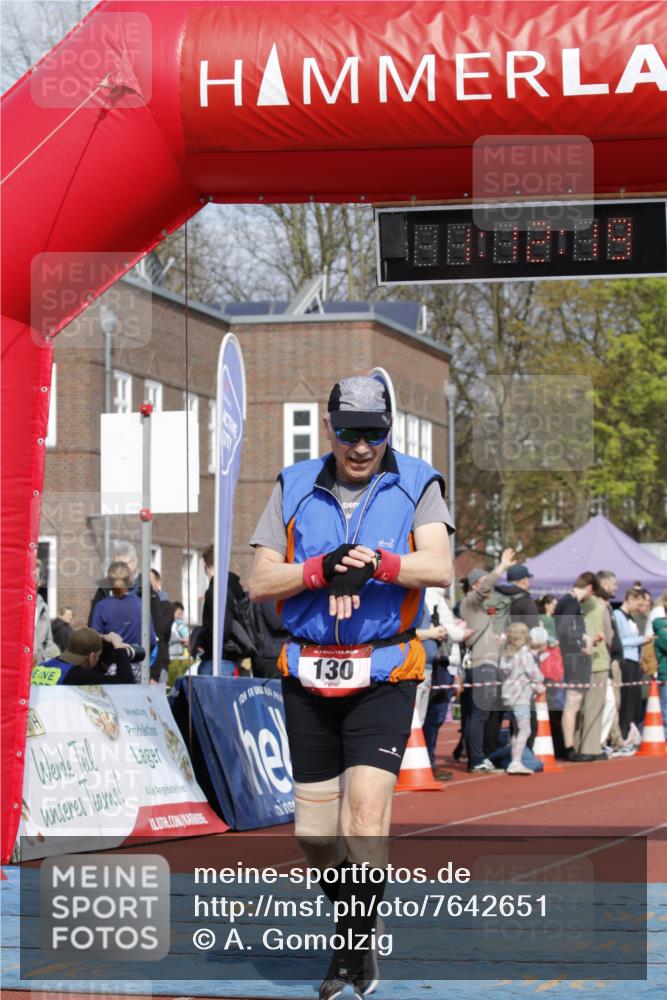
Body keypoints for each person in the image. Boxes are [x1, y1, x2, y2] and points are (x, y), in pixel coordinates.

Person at [248, 375, 453, 999]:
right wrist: (318, 570)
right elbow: (259, 582)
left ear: (388, 431)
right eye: (348, 433)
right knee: (313, 836)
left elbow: (439, 566)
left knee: (364, 817)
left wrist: (378, 563)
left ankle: (352, 948)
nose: (361, 447)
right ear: (330, 427)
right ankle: (359, 913)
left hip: (383, 672)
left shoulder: (418, 480)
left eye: (374, 433)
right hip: (308, 671)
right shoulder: (293, 483)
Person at [459, 548, 518, 772]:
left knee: (480, 713)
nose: (488, 587)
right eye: (483, 583)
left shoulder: (478, 611)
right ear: (475, 585)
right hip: (481, 664)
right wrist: (501, 566)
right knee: (479, 713)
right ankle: (475, 759)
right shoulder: (470, 603)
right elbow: (485, 587)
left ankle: (477, 756)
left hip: (487, 663)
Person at [554, 572, 596, 762]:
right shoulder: (571, 603)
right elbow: (565, 629)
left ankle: (567, 746)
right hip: (573, 659)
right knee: (573, 702)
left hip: (569, 657)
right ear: (589, 588)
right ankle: (568, 747)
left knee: (572, 703)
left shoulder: (565, 602)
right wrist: (583, 641)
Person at [90, 561, 156, 671]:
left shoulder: (102, 607)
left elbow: (94, 641)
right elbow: (151, 640)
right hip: (137, 667)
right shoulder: (141, 605)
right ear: (130, 579)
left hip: (111, 667)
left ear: (108, 580)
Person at [498, 623, 545, 775]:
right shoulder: (524, 655)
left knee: (517, 731)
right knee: (525, 730)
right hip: (521, 698)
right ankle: (516, 761)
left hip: (508, 697)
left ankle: (515, 759)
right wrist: (539, 682)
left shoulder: (506, 655)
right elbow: (534, 674)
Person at [31, 628, 136, 685]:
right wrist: (118, 646)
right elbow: (126, 682)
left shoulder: (41, 667)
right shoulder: (76, 675)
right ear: (92, 657)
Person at [613, 587, 652, 743]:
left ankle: (629, 733)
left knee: (633, 701)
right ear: (630, 599)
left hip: (635, 661)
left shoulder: (631, 617)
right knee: (626, 699)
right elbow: (620, 641)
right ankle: (622, 734)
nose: (639, 607)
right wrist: (641, 640)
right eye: (638, 603)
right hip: (626, 661)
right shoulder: (618, 615)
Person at [33, 559, 59, 664]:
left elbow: (48, 643)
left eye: (38, 577)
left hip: (37, 669)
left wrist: (44, 662)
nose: (36, 580)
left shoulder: (43, 607)